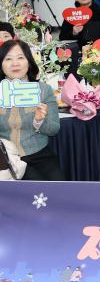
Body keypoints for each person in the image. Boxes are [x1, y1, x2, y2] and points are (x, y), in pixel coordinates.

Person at [0, 41, 62, 180]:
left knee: (59, 188)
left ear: (28, 61)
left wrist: (39, 121)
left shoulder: (44, 90)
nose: (15, 63)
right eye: (8, 59)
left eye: (20, 57)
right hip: (7, 158)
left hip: (40, 154)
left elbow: (54, 129)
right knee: (35, 187)